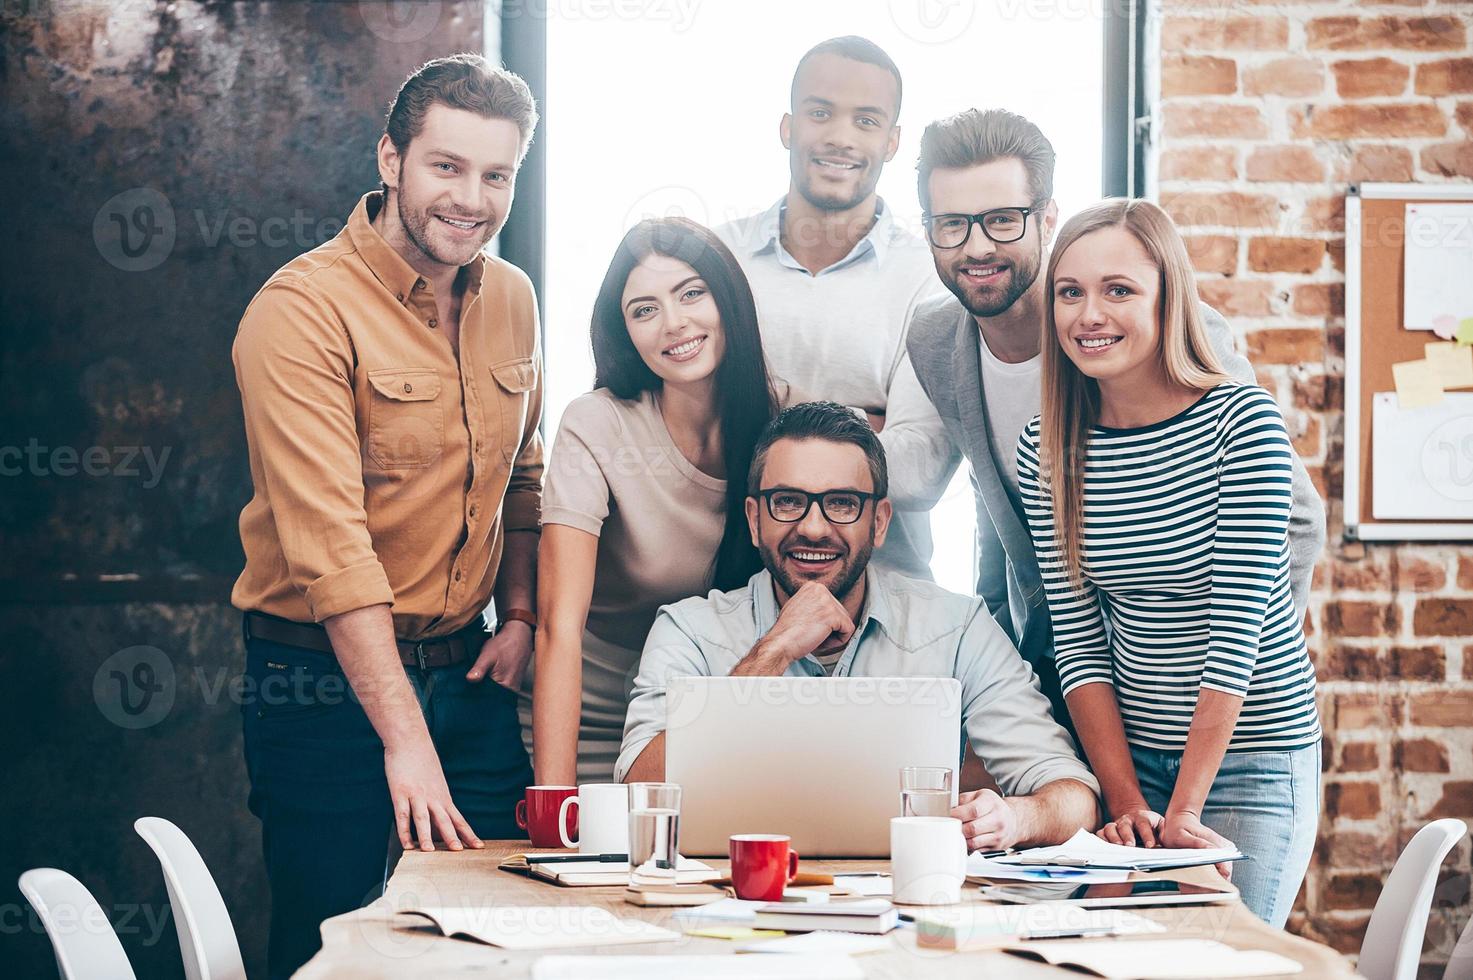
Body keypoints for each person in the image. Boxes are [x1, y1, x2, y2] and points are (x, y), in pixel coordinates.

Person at [231, 55, 542, 978]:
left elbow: (524, 478)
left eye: (498, 175)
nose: (472, 199)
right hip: (320, 685)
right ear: (390, 160)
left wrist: (520, 615)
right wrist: (403, 743)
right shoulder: (300, 311)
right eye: (446, 167)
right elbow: (333, 553)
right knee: (336, 944)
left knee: (497, 933)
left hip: (469, 675)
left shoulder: (513, 298)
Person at [904, 108, 1325, 733]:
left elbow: (1296, 518)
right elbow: (1005, 515)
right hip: (1062, 686)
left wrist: (1230, 690)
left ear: (1048, 218)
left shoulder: (1154, 327)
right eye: (951, 225)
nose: (977, 246)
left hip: (1203, 710)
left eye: (1001, 219)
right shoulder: (937, 341)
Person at [1016, 198, 1322, 927]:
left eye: (1117, 289)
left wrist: (1184, 812)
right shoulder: (1047, 447)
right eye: (1070, 292)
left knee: (1223, 959)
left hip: (1251, 760)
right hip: (1132, 762)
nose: (1088, 314)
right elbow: (1078, 641)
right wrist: (1124, 802)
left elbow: (1235, 633)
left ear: (1166, 299)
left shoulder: (1240, 422)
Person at [617, 401, 1100, 852]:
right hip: (730, 897)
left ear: (880, 521)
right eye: (787, 501)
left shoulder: (957, 627)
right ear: (753, 518)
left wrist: (1016, 818)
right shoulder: (687, 630)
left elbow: (1076, 799)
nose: (812, 528)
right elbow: (637, 795)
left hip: (907, 906)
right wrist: (773, 652)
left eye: (843, 504)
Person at [528, 217, 802, 784]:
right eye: (644, 309)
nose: (674, 324)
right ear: (624, 330)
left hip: (718, 710)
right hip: (589, 717)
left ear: (728, 299)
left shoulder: (785, 422)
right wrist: (554, 800)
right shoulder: (596, 423)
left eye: (691, 293)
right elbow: (558, 627)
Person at [714, 36, 953, 581]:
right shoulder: (719, 260)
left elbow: (921, 469)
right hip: (728, 592)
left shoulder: (930, 276)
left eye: (866, 121)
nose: (841, 137)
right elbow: (687, 440)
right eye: (820, 112)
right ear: (788, 126)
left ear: (893, 142)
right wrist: (866, 423)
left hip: (887, 600)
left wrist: (768, 414)